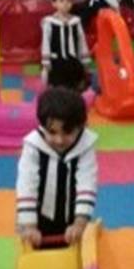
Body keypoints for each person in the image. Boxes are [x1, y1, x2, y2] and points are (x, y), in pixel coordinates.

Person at [15, 87, 98, 247]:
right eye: (52, 132)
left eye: (67, 132)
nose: (59, 140)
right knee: (33, 250)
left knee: (74, 252)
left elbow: (87, 182)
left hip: (72, 217)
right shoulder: (33, 146)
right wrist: (29, 226)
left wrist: (80, 223)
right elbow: (26, 185)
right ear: (42, 126)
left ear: (81, 126)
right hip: (38, 216)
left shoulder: (85, 145)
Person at [41, 0, 90, 83]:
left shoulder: (76, 21)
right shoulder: (49, 22)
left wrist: (85, 61)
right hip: (56, 62)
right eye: (61, 0)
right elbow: (46, 42)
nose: (65, 4)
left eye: (68, 0)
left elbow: (81, 41)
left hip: (73, 62)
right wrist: (46, 62)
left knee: (75, 82)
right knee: (58, 84)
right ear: (54, 3)